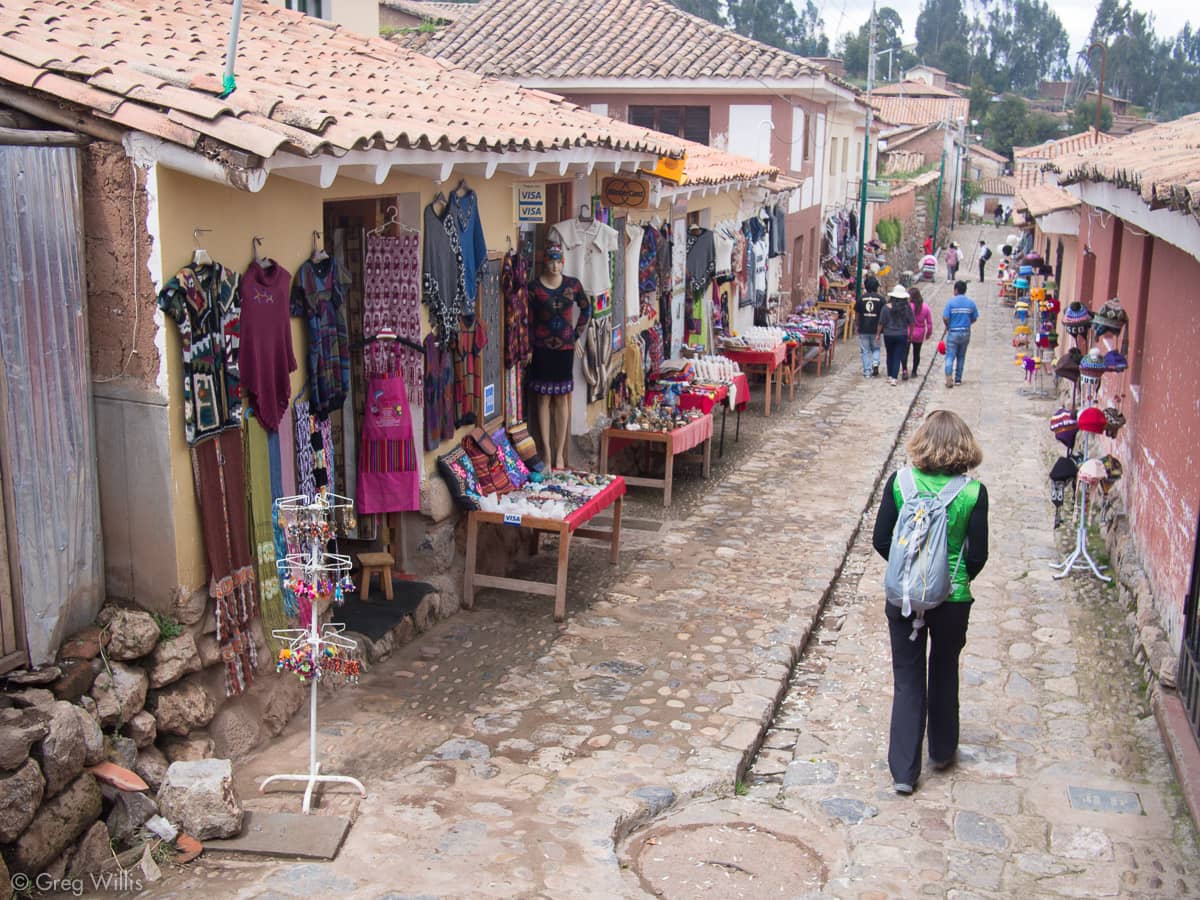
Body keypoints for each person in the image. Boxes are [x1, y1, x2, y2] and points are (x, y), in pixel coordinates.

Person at [872, 409, 989, 794]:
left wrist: (911, 572)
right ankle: (941, 749)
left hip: (904, 598)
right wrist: (947, 580)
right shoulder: (972, 492)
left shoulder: (900, 483)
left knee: (907, 679)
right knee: (944, 668)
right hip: (953, 599)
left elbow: (880, 539)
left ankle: (904, 772)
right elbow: (977, 555)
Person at [528, 243, 591, 468]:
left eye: (558, 260)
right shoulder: (534, 288)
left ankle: (559, 453)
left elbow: (587, 308)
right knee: (543, 399)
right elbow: (527, 319)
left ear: (563, 261)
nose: (555, 265)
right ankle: (545, 449)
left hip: (565, 350)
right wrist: (527, 346)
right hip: (541, 349)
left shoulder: (572, 285)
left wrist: (576, 335)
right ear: (544, 261)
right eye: (551, 260)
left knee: (562, 398)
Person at [942, 280, 979, 388]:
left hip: (953, 332)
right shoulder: (970, 303)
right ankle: (958, 379)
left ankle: (949, 376)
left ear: (956, 290)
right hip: (965, 332)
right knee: (961, 356)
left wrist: (948, 326)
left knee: (950, 355)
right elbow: (974, 317)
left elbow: (945, 317)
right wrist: (967, 323)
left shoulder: (951, 303)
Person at [878, 285, 914, 386]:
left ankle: (890, 375)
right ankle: (894, 377)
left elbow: (881, 322)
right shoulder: (907, 308)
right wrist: (910, 335)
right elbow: (911, 323)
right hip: (902, 334)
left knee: (889, 354)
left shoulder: (886, 308)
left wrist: (877, 334)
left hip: (888, 334)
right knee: (897, 355)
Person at [855, 274, 884, 378]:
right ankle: (875, 363)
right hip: (877, 329)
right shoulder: (881, 299)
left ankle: (867, 371)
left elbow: (857, 314)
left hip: (864, 328)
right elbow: (883, 315)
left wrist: (857, 325)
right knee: (876, 348)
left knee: (865, 350)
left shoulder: (861, 299)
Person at [902, 286, 933, 381]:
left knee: (905, 353)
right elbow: (929, 323)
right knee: (917, 352)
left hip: (908, 331)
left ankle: (904, 370)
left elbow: (903, 319)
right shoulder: (925, 307)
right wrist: (928, 334)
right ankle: (914, 371)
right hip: (920, 333)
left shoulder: (907, 306)